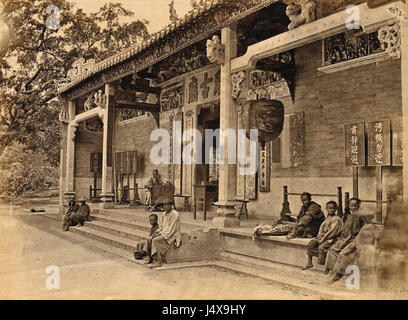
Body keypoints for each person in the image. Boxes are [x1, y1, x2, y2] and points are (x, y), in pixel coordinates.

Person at [325, 198, 369, 282]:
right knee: (332, 249)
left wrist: (358, 240)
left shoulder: (362, 217)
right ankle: (332, 271)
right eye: (352, 206)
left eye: (355, 206)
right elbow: (345, 230)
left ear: (358, 206)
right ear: (349, 207)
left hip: (355, 240)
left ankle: (338, 274)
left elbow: (365, 229)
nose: (354, 207)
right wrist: (340, 237)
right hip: (346, 239)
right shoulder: (350, 216)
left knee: (343, 253)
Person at [302, 201, 343, 270]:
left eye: (333, 208)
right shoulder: (328, 217)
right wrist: (318, 237)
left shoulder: (337, 219)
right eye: (329, 208)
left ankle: (324, 262)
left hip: (332, 238)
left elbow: (332, 232)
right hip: (324, 237)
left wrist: (323, 239)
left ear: (336, 209)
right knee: (311, 244)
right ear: (326, 209)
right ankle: (309, 262)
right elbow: (322, 228)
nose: (331, 210)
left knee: (322, 247)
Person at [149, 201, 181, 268]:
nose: (166, 207)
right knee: (150, 238)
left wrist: (162, 234)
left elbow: (172, 228)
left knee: (156, 240)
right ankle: (152, 258)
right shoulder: (164, 214)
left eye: (167, 205)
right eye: (164, 205)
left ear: (171, 206)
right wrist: (158, 232)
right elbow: (161, 226)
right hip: (164, 232)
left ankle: (159, 261)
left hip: (172, 234)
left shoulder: (175, 214)